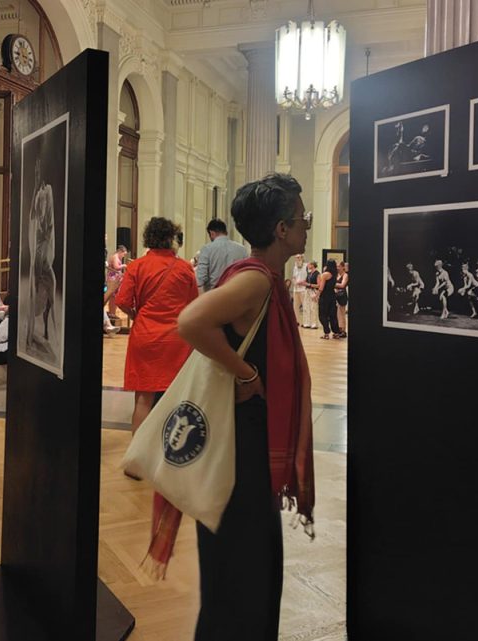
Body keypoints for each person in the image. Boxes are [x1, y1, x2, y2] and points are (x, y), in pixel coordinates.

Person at [171, 173, 314, 640]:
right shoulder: (255, 280)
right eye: (302, 218)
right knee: (241, 572)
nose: (307, 225)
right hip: (240, 450)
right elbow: (191, 321)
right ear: (281, 229)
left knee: (245, 568)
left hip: (246, 442)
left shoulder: (263, 278)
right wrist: (247, 373)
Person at [115, 217, 198, 442]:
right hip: (175, 339)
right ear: (171, 238)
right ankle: (167, 450)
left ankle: (138, 454)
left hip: (145, 336)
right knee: (173, 398)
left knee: (143, 400)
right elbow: (193, 304)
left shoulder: (137, 266)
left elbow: (122, 300)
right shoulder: (184, 268)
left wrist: (136, 315)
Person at [25, 158, 58, 352]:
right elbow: (34, 215)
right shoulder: (36, 224)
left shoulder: (47, 192)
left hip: (44, 263)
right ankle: (33, 336)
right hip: (39, 264)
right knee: (35, 303)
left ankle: (50, 334)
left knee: (50, 304)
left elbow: (47, 220)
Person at [195, 218, 249, 293]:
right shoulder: (242, 249)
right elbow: (247, 275)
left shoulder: (206, 249)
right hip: (237, 294)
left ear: (211, 233)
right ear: (226, 232)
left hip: (215, 294)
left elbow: (200, 279)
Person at [317, 259, 342, 339]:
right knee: (333, 315)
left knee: (322, 315)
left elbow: (321, 287)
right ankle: (336, 333)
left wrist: (317, 295)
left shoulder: (325, 274)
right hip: (332, 296)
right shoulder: (335, 274)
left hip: (324, 297)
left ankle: (326, 333)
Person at [104, 245, 128, 317]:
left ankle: (112, 312)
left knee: (114, 296)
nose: (123, 256)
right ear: (120, 251)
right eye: (123, 254)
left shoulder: (117, 257)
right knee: (112, 296)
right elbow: (116, 267)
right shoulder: (115, 257)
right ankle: (112, 312)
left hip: (116, 277)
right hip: (113, 279)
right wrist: (124, 265)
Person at [291, 254, 308, 326]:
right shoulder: (295, 267)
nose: (297, 259)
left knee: (305, 306)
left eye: (299, 257)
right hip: (296, 289)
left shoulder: (306, 266)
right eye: (296, 258)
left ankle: (305, 322)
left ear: (302, 258)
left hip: (303, 289)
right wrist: (294, 282)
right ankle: (296, 321)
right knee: (295, 306)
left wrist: (302, 282)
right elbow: (293, 277)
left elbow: (308, 277)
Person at [302, 260, 319, 329]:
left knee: (313, 307)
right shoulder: (309, 273)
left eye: (309, 264)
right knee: (306, 307)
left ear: (312, 265)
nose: (307, 266)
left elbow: (318, 285)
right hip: (307, 291)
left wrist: (309, 284)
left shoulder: (317, 274)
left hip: (313, 291)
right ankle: (307, 323)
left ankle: (314, 324)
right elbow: (305, 282)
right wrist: (303, 283)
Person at [335, 261, 349, 336]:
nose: (337, 268)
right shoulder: (337, 275)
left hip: (342, 296)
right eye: (337, 266)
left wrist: (333, 283)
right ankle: (338, 329)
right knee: (337, 314)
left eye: (339, 266)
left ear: (343, 267)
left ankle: (343, 330)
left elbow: (342, 285)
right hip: (336, 296)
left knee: (341, 313)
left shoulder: (345, 275)